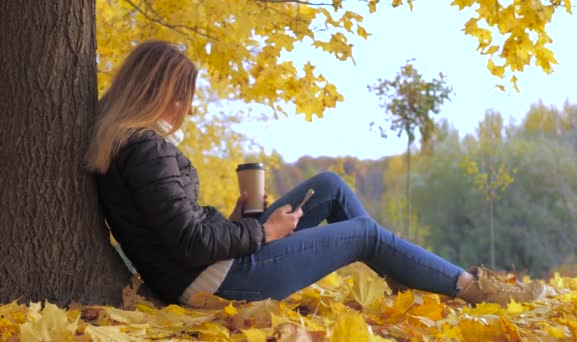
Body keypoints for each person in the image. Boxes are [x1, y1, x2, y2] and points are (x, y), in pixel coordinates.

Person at [86, 40, 545, 307]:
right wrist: (263, 232)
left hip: (208, 268)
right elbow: (188, 244)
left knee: (327, 186)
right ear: (158, 93)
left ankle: (402, 272)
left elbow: (179, 229)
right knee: (364, 232)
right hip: (215, 282)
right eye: (181, 96)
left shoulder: (128, 144)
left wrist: (238, 220)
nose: (185, 108)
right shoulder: (146, 148)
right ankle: (471, 288)